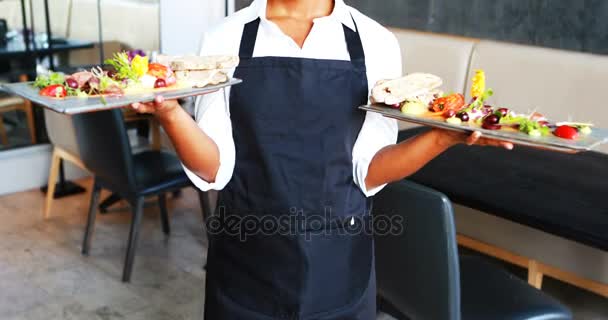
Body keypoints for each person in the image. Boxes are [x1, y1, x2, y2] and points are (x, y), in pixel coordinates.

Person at [132, 0, 512, 318]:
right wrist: (170, 114)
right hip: (247, 261)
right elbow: (214, 168)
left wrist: (442, 138)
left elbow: (370, 170)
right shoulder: (226, 36)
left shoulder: (374, 41)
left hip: (339, 264)